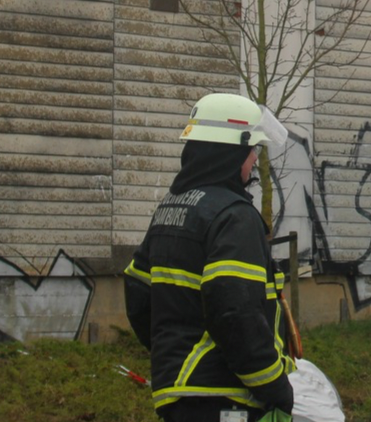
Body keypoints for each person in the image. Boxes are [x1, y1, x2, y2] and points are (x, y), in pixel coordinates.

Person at [125, 93, 296, 422]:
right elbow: (236, 312)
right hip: (225, 398)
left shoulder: (169, 211)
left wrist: (176, 352)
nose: (252, 161)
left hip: (178, 395)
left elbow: (138, 298)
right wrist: (276, 387)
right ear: (230, 152)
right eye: (251, 150)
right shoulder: (234, 216)